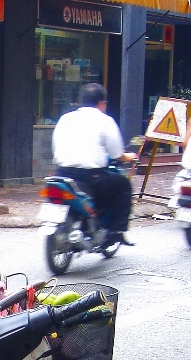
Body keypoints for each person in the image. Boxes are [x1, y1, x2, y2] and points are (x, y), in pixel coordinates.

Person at [52, 83, 137, 247]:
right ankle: (117, 231)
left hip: (61, 174)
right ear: (101, 103)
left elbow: (55, 150)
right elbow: (117, 154)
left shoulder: (65, 118)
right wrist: (130, 157)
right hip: (90, 177)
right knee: (123, 185)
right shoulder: (105, 120)